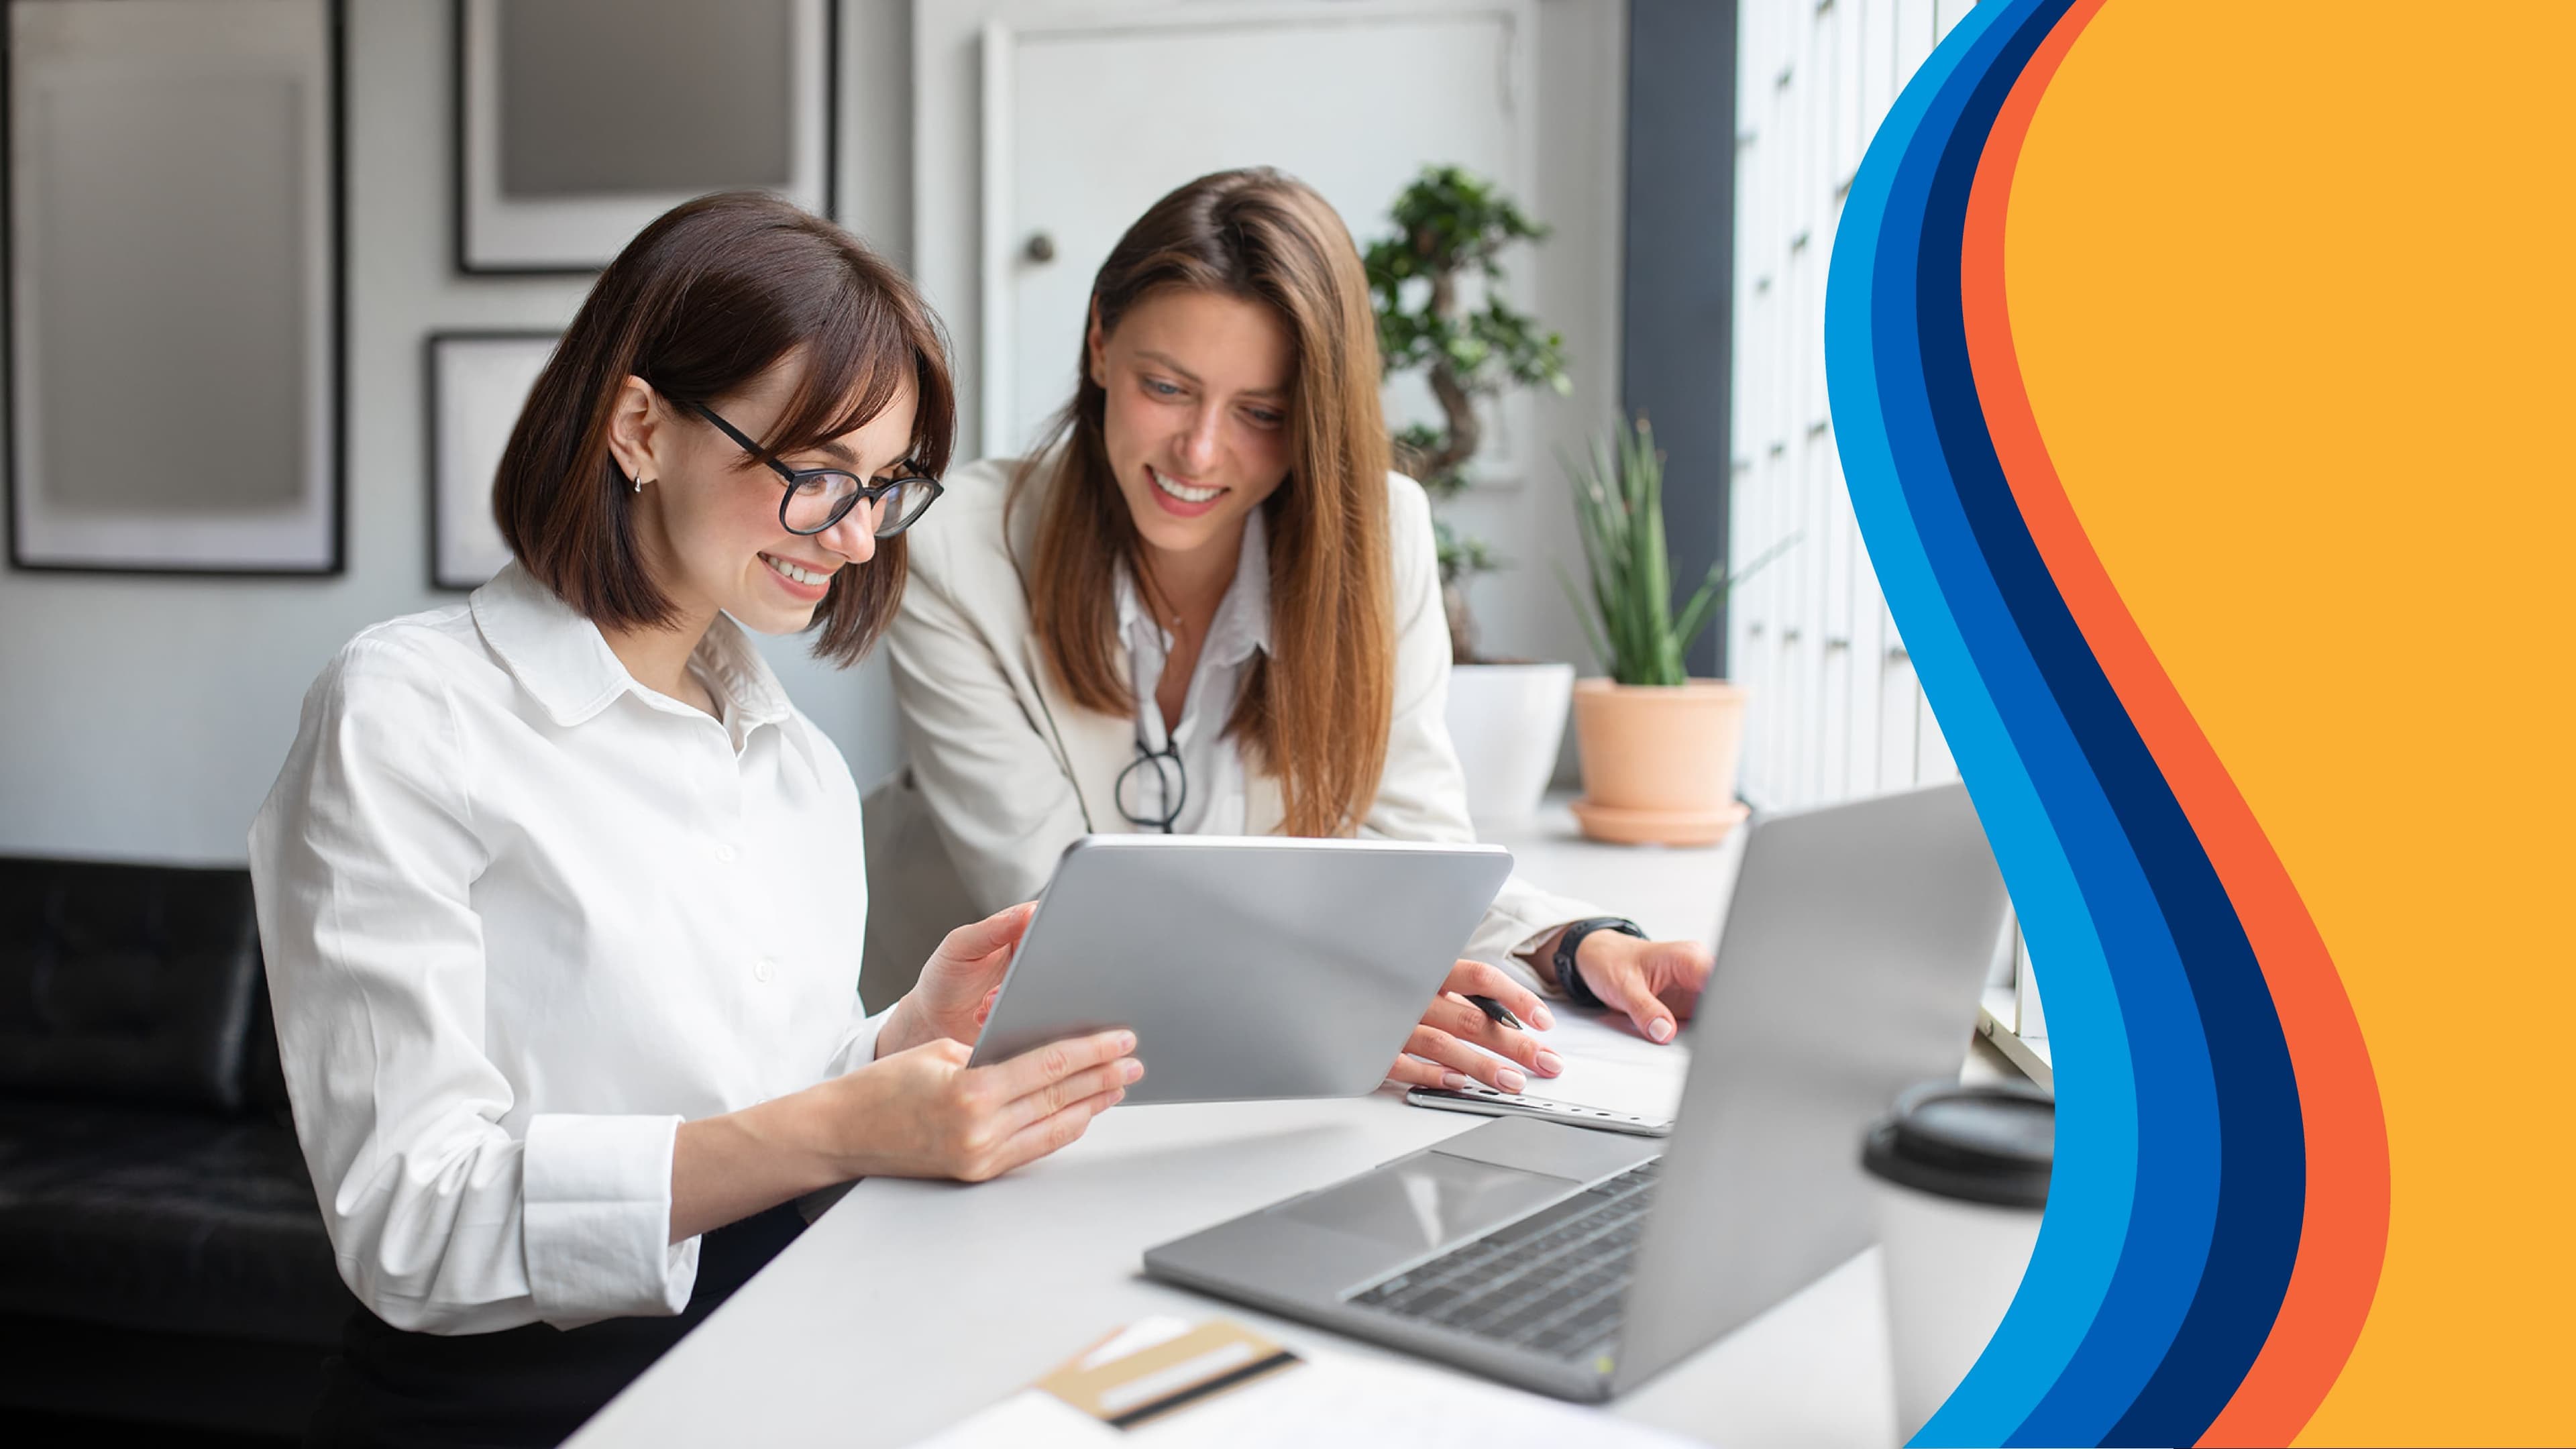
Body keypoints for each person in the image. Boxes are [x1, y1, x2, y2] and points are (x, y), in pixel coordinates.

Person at [248, 193, 1137, 1448]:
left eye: (885, 486)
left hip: (783, 1367)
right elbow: (413, 1223)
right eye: (816, 474)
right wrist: (839, 1125)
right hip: (515, 1410)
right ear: (638, 427)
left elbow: (758, 1119)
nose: (859, 533)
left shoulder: (799, 771)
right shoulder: (407, 716)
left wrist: (890, 1049)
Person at [878, 168, 1715, 1098]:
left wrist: (1576, 947)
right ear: (1100, 345)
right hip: (974, 1080)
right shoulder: (954, 553)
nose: (1200, 452)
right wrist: (1348, 998)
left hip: (1246, 1076)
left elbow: (1412, 854)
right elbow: (1052, 916)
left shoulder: (1377, 534)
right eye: (1166, 386)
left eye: (1261, 414)